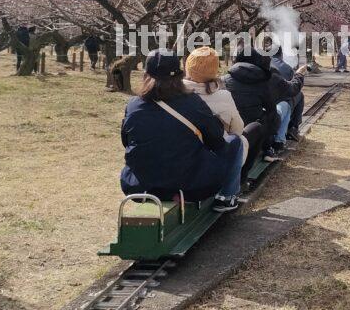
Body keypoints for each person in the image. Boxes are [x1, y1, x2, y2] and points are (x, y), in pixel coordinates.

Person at [120, 49, 246, 212]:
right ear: (180, 74)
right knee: (234, 141)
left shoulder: (134, 105)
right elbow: (216, 141)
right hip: (189, 186)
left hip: (139, 185)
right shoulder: (192, 102)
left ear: (146, 74)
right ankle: (228, 197)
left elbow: (126, 141)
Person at [184, 46, 264, 159]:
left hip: (188, 154)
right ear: (214, 70)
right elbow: (238, 129)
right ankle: (243, 175)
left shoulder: (175, 95)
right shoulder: (224, 96)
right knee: (256, 128)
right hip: (218, 155)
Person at [269, 46, 305, 142]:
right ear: (281, 54)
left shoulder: (261, 65)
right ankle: (293, 128)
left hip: (263, 102)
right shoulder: (286, 68)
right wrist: (299, 74)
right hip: (281, 103)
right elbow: (293, 89)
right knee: (300, 95)